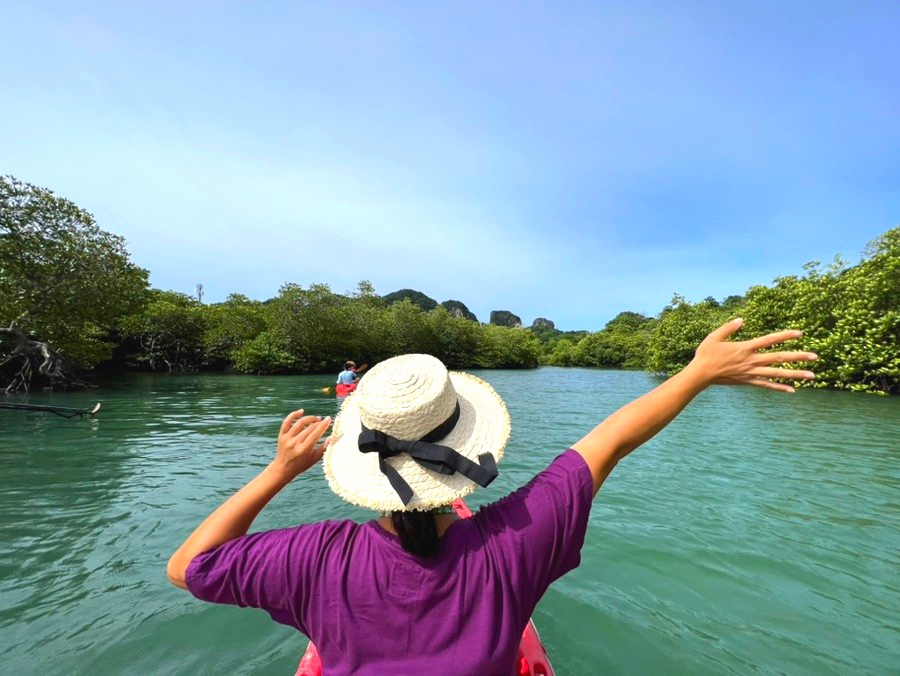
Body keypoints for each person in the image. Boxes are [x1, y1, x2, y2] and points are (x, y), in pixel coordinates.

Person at [167, 319, 817, 674]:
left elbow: (186, 567)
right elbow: (610, 441)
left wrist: (277, 472)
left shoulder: (311, 557)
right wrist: (700, 372)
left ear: (354, 454)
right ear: (468, 452)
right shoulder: (514, 542)